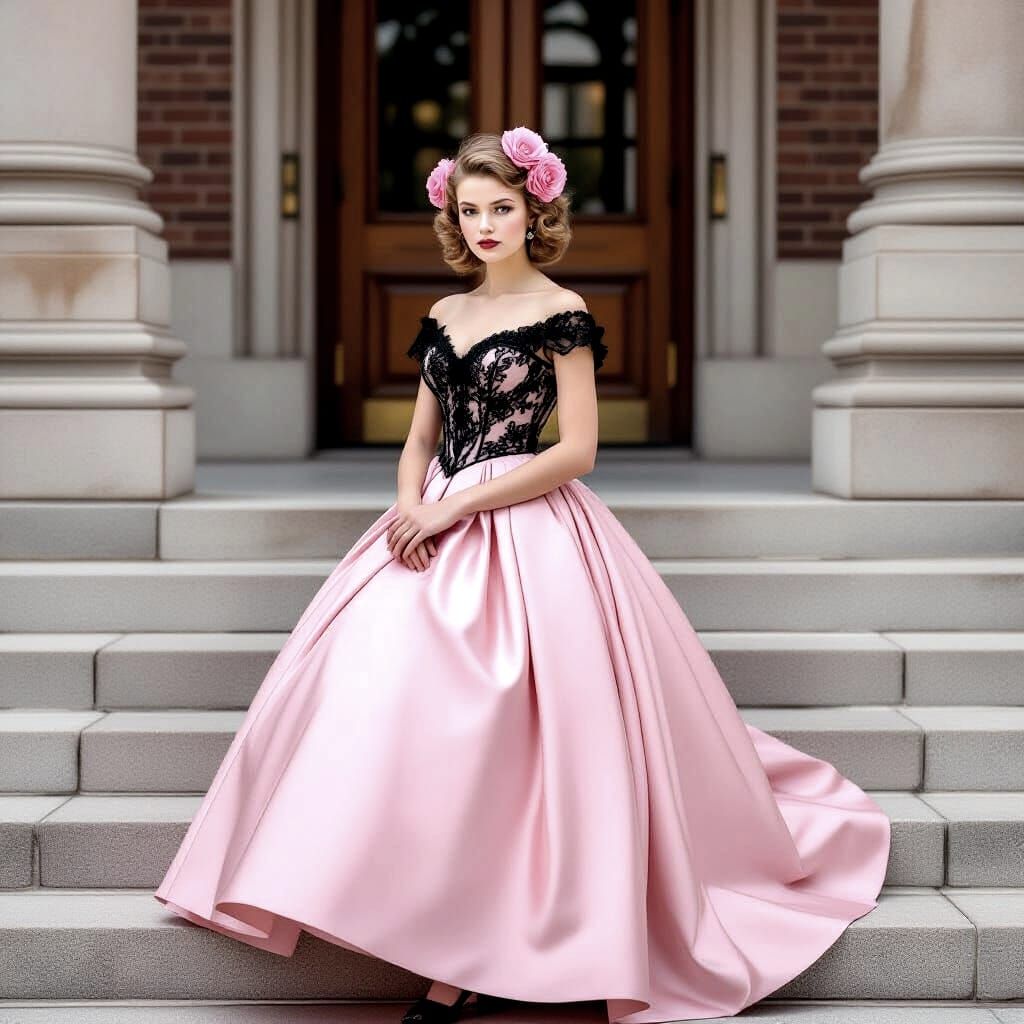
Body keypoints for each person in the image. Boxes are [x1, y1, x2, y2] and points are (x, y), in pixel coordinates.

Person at [153, 127, 891, 1024]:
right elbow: (420, 438)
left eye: (503, 207)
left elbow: (576, 451)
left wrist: (454, 508)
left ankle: (460, 969)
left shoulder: (562, 311)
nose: (487, 224)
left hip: (525, 528)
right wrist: (409, 508)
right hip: (430, 520)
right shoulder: (446, 314)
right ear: (454, 219)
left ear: (536, 208)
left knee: (513, 727)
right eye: (471, 210)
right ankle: (366, 893)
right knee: (373, 696)